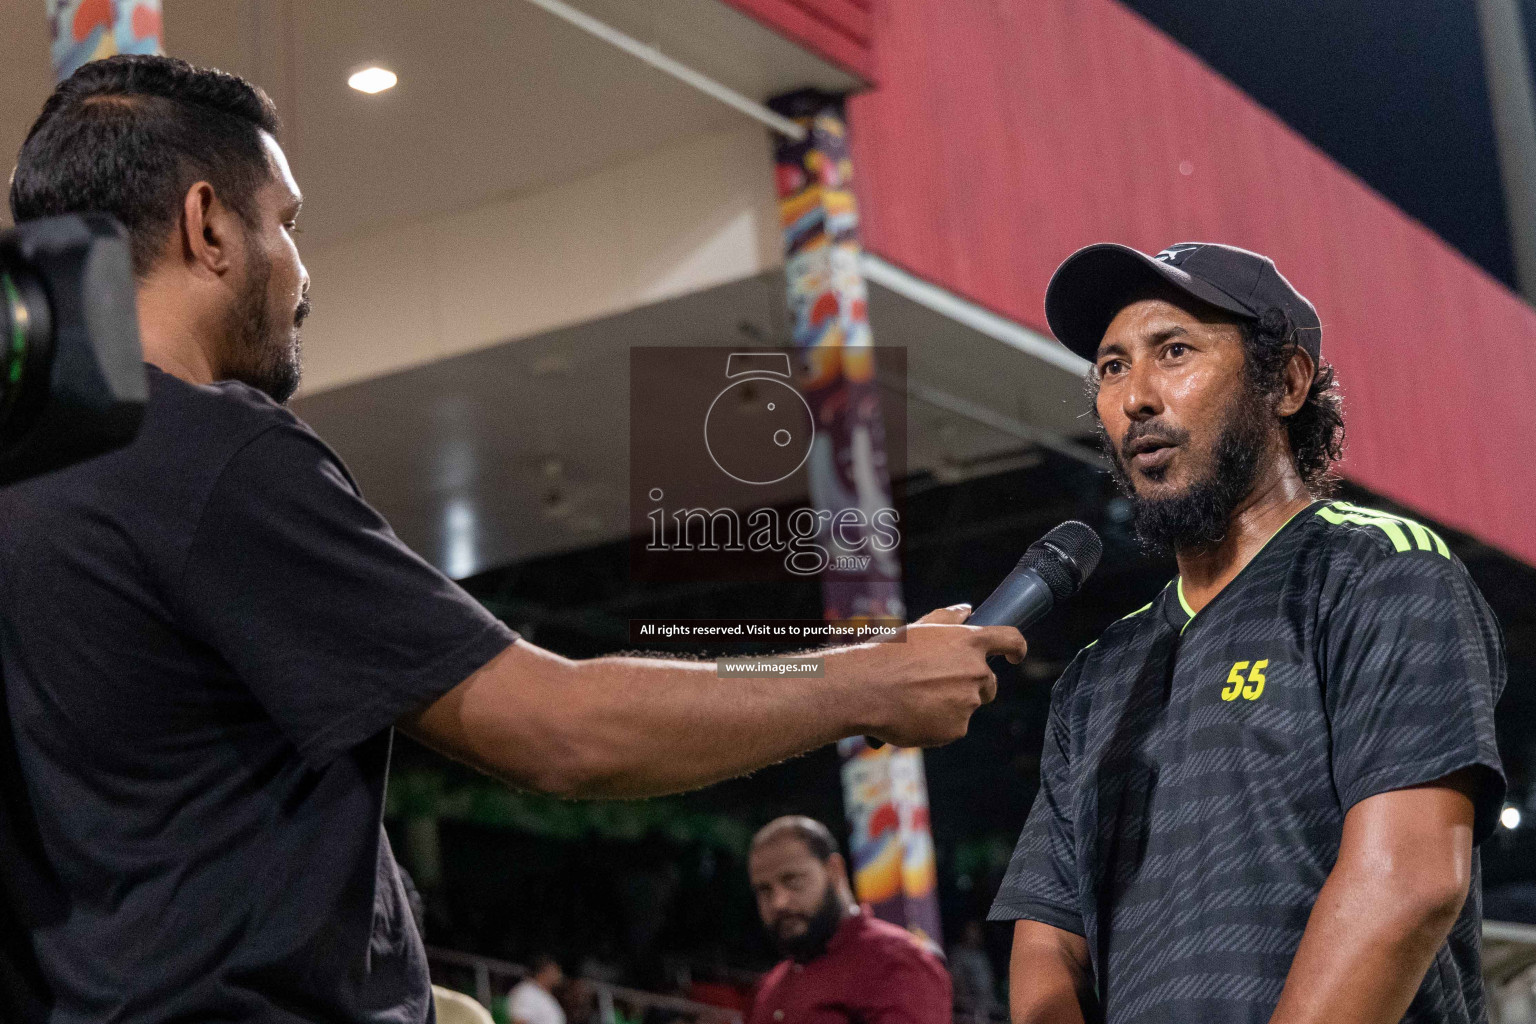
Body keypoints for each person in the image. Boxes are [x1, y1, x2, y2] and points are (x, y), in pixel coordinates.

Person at [0, 55, 1028, 1023]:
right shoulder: (214, 455)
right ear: (207, 225)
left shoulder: (27, 481)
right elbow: (559, 726)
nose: (301, 270)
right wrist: (874, 678)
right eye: (288, 223)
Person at [990, 241, 1506, 1024]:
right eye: (1112, 367)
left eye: (1173, 351)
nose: (1136, 398)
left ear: (1286, 383)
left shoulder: (1379, 572)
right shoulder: (1097, 677)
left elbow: (1411, 880)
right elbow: (1047, 953)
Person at [746, 816, 951, 1024]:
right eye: (764, 890)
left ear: (835, 871)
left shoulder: (899, 962)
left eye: (793, 881)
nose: (778, 903)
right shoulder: (770, 986)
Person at [948, 921, 1000, 1022]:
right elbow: (958, 982)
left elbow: (989, 982)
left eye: (977, 931)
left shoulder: (981, 955)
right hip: (968, 1007)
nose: (975, 934)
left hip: (987, 1004)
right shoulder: (958, 955)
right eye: (972, 930)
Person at [507, 956, 566, 1024]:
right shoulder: (526, 992)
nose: (559, 975)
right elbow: (519, 1021)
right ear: (544, 972)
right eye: (555, 971)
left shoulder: (544, 994)